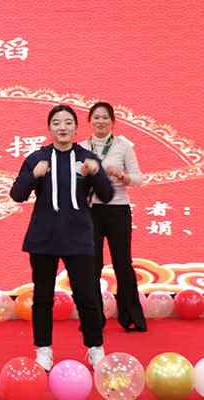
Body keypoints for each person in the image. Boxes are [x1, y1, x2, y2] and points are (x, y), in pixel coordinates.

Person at [10, 104, 114, 371]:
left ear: (76, 128)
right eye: (57, 123)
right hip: (43, 238)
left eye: (68, 122)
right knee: (43, 297)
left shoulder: (87, 158)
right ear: (50, 128)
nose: (63, 127)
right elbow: (17, 194)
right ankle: (43, 350)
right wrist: (33, 176)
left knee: (87, 296)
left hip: (78, 237)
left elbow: (107, 195)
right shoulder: (38, 158)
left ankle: (95, 348)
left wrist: (96, 173)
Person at [80, 102, 147, 332]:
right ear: (90, 121)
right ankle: (93, 319)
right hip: (91, 211)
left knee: (122, 263)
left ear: (113, 121)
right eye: (96, 117)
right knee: (92, 265)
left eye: (105, 117)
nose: (100, 121)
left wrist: (121, 175)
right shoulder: (82, 148)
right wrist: (83, 175)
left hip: (118, 209)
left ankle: (131, 317)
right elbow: (73, 181)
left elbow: (138, 179)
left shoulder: (123, 146)